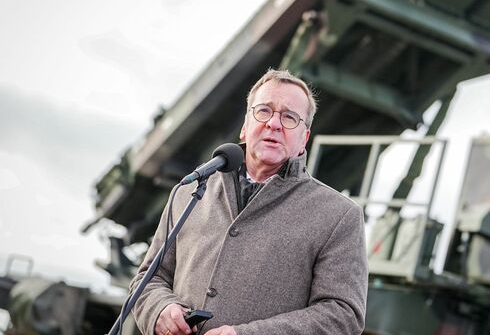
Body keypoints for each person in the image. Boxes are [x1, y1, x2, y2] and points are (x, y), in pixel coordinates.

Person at [130, 69, 368, 335]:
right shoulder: (189, 192)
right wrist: (160, 309)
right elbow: (148, 280)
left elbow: (343, 316)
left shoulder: (339, 216)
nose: (274, 124)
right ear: (245, 126)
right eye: (264, 111)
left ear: (304, 140)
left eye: (289, 117)